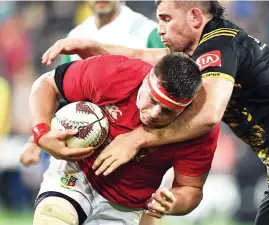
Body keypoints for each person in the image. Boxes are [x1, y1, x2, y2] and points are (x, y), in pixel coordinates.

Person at [42, 1, 269, 225]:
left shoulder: (220, 45)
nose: (160, 28)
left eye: (166, 18)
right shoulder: (204, 51)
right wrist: (96, 48)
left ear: (195, 18)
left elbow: (209, 114)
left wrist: (138, 138)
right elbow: (146, 56)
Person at [30, 53, 219, 225]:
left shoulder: (199, 129)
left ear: (185, 109)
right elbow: (47, 83)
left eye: (167, 111)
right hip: (77, 175)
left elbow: (190, 189)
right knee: (52, 218)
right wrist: (41, 132)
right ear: (146, 80)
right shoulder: (115, 73)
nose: (154, 114)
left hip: (126, 207)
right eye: (153, 100)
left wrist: (173, 202)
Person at [21, 0, 163, 165]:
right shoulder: (75, 36)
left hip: (135, 154)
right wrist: (36, 140)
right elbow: (61, 96)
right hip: (84, 149)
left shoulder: (148, 32)